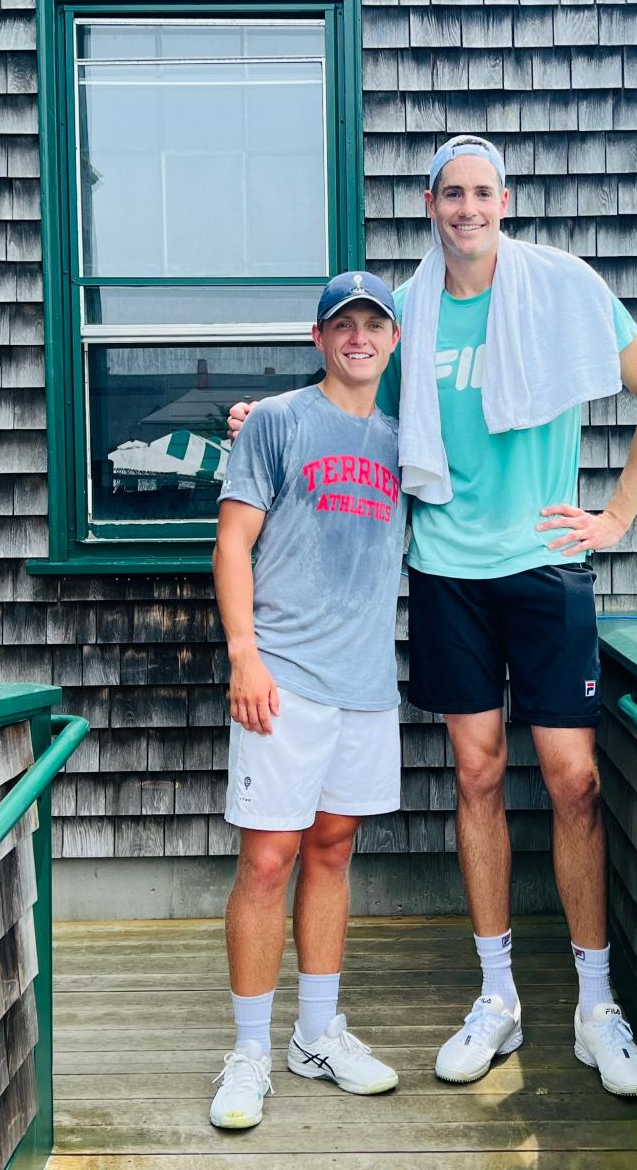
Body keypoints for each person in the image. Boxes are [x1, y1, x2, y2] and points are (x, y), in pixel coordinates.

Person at [229, 136, 637, 1098]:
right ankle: (498, 997)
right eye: (452, 194)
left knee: (573, 780)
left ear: (504, 201)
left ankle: (596, 1007)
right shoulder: (407, 312)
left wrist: (616, 517)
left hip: (547, 567)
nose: (468, 209)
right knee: (475, 775)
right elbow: (348, 404)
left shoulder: (564, 288)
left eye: (483, 192)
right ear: (430, 204)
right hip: (446, 573)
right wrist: (259, 419)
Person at [210, 271, 405, 1131]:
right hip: (282, 678)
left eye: (374, 324)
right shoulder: (279, 421)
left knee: (332, 851)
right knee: (267, 861)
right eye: (343, 324)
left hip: (365, 685)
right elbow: (232, 542)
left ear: (392, 341)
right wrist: (245, 657)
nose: (359, 336)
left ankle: (317, 1033)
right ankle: (250, 1048)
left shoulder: (406, 442)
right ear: (319, 338)